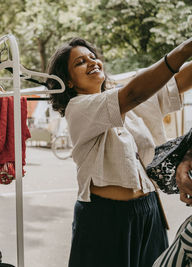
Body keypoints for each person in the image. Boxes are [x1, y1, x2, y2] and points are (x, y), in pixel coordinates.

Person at [46, 37, 192, 267]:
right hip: (105, 218)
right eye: (80, 62)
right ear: (69, 82)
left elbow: (176, 83)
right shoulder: (79, 108)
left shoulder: (123, 101)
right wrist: (186, 48)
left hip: (149, 210)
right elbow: (134, 93)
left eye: (93, 57)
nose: (92, 62)